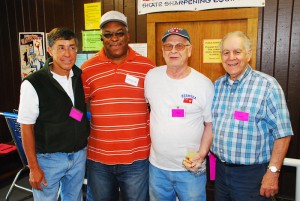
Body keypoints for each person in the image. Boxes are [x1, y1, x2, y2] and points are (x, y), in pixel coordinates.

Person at [81, 10, 155, 201]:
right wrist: (70, 121)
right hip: (99, 160)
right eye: (108, 34)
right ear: (101, 38)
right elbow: (77, 109)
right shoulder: (87, 69)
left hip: (137, 158)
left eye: (119, 33)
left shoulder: (147, 67)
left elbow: (158, 107)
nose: (114, 38)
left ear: (127, 35)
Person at [210, 31, 293, 201]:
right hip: (220, 171)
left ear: (249, 54)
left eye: (237, 52)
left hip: (252, 176)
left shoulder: (267, 86)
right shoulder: (217, 85)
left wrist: (273, 172)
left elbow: (283, 134)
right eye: (226, 52)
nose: (231, 57)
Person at [17, 27, 90, 201]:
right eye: (61, 47)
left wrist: (82, 129)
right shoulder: (34, 83)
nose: (68, 53)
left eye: (72, 47)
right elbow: (26, 127)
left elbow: (74, 112)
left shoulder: (79, 77)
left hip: (78, 156)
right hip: (49, 159)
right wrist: (33, 168)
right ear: (50, 50)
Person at [144, 27, 214, 201]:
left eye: (180, 46)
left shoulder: (204, 84)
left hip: (191, 169)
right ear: (162, 51)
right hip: (157, 168)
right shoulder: (151, 77)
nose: (173, 50)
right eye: (169, 46)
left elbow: (210, 125)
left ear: (189, 50)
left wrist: (202, 153)